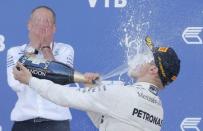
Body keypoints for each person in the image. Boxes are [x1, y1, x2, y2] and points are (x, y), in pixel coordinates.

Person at [13, 39, 180, 131]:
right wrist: (93, 91)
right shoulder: (158, 109)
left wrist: (30, 80)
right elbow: (106, 123)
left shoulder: (123, 94)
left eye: (146, 57)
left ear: (152, 69)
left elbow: (66, 97)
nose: (139, 58)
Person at [7, 6, 74, 131]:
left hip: (57, 124)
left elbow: (60, 80)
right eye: (37, 22)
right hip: (23, 124)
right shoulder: (15, 52)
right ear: (29, 25)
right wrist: (33, 47)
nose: (41, 26)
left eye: (47, 22)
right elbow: (15, 83)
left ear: (54, 28)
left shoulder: (65, 50)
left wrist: (45, 47)